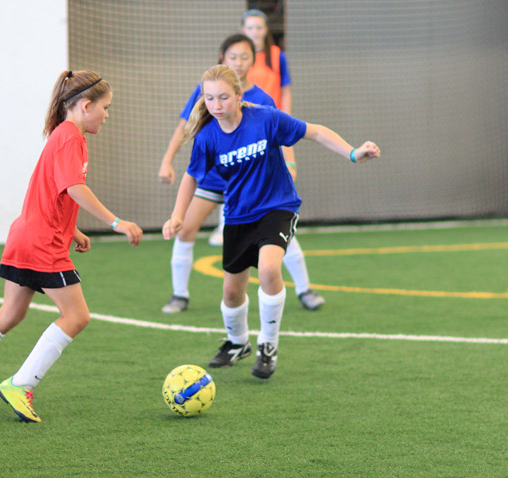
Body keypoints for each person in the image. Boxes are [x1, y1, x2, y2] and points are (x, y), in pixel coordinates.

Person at [0, 70, 142, 423]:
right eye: (106, 108)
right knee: (77, 317)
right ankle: (21, 384)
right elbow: (73, 187)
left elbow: (52, 191)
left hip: (25, 235)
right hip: (43, 244)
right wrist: (116, 222)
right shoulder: (70, 137)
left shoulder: (63, 135)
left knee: (11, 313)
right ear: (86, 105)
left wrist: (71, 228)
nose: (107, 115)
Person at [163, 65, 380, 379]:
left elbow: (315, 131)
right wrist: (178, 215)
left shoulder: (266, 118)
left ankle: (268, 344)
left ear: (239, 95)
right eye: (210, 99)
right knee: (232, 292)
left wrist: (352, 153)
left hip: (278, 206)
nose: (217, 105)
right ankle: (237, 343)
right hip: (238, 215)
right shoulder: (207, 137)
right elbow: (191, 176)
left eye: (224, 97)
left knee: (268, 269)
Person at [158, 34, 325, 314]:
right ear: (222, 58)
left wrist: (290, 164)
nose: (238, 61)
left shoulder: (262, 100)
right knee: (185, 228)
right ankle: (179, 295)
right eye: (232, 56)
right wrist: (167, 160)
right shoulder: (207, 91)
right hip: (214, 178)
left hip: (252, 183)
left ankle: (305, 290)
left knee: (279, 237)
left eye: (244, 56)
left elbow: (283, 134)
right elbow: (186, 128)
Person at [241, 9, 292, 113]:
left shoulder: (277, 55)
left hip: (272, 117)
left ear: (266, 29)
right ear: (243, 30)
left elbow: (285, 91)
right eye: (250, 28)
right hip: (246, 117)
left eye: (259, 28)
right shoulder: (237, 57)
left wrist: (287, 118)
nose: (254, 32)